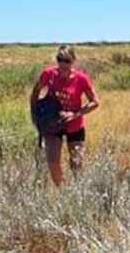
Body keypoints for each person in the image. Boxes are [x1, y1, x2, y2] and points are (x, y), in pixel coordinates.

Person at [30, 45, 100, 186]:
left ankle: (78, 192)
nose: (63, 64)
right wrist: (35, 114)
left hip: (75, 125)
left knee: (76, 163)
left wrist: (76, 114)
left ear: (73, 60)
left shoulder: (81, 79)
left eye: (66, 60)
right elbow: (35, 92)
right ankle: (63, 192)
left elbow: (95, 102)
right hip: (52, 124)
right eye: (60, 60)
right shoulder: (48, 75)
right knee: (53, 162)